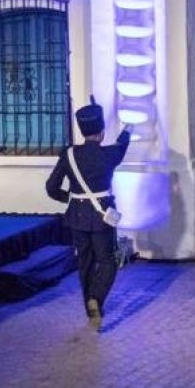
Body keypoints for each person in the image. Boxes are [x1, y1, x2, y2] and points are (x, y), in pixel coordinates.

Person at [46, 97, 132, 331]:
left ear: (82, 131)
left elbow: (51, 187)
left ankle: (89, 307)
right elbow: (122, 144)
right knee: (108, 261)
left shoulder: (69, 155)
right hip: (101, 215)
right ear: (102, 133)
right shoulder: (109, 154)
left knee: (84, 262)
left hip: (77, 215)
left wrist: (69, 198)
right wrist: (128, 130)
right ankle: (97, 297)